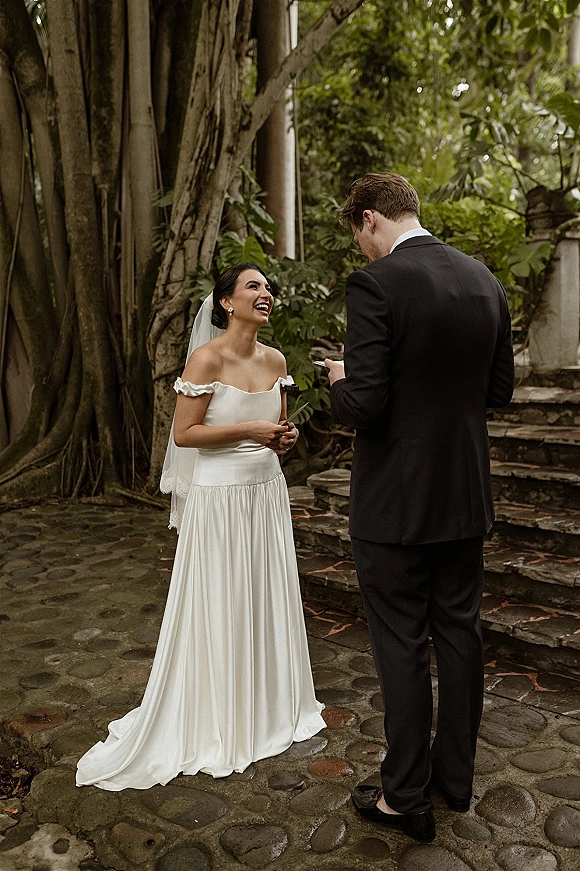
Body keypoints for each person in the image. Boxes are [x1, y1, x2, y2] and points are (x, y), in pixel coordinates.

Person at [76, 263, 325, 790]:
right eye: (253, 286)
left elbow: (275, 430)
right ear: (226, 303)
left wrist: (283, 438)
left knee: (264, 594)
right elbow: (185, 435)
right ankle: (218, 713)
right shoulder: (206, 359)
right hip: (220, 496)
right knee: (222, 598)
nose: (266, 294)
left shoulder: (276, 360)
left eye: (268, 287)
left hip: (265, 493)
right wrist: (250, 428)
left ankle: (271, 708)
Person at [325, 173, 514, 842]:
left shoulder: (375, 285)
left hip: (395, 505)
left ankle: (405, 797)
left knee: (401, 644)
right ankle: (452, 780)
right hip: (463, 497)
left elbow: (366, 405)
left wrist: (341, 379)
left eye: (360, 237)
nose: (365, 250)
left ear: (371, 219)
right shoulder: (484, 281)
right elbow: (500, 390)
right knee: (459, 635)